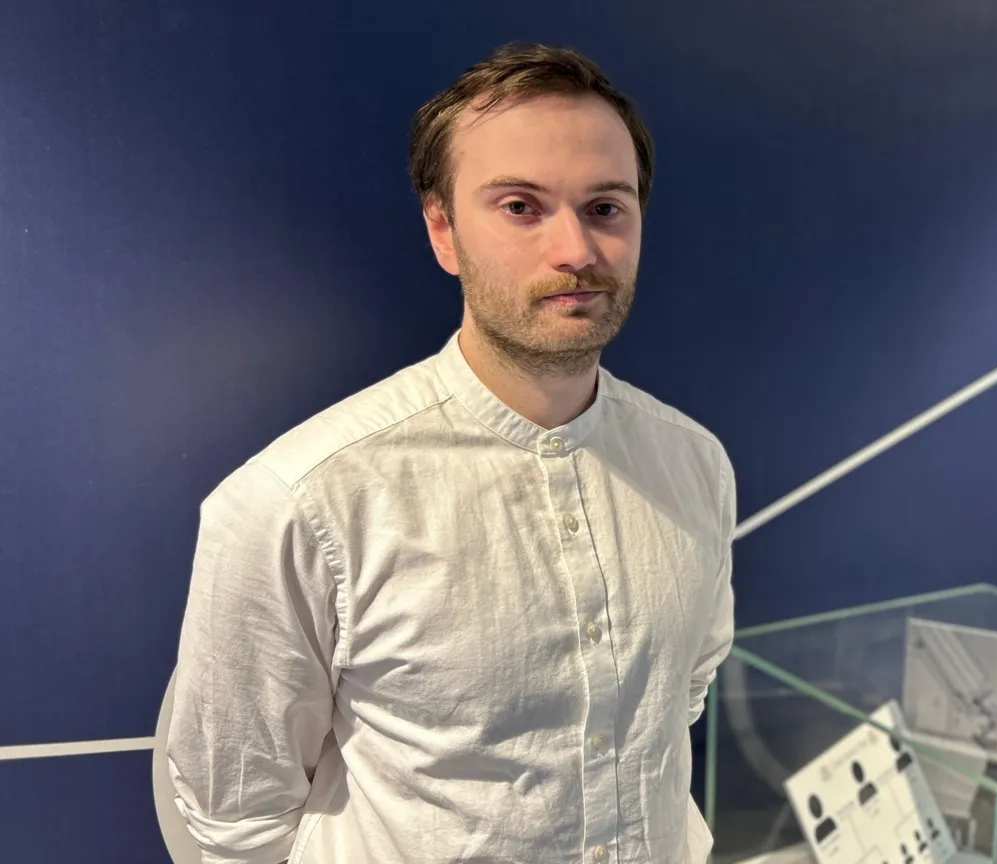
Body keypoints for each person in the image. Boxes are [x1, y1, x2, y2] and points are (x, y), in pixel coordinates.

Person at [165, 43, 735, 864]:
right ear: (443, 230)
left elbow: (677, 698)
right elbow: (233, 819)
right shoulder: (300, 501)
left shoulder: (696, 465)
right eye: (520, 206)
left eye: (606, 207)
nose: (574, 249)